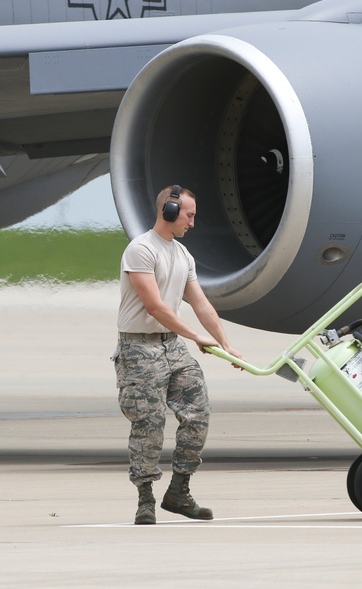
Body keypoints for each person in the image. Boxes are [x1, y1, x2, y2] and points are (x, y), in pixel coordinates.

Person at [112, 184, 243, 525]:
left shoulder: (183, 256)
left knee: (197, 413)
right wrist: (197, 337)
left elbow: (201, 303)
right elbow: (154, 306)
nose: (192, 223)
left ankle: (179, 492)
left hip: (172, 345)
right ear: (168, 212)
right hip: (139, 348)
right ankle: (145, 499)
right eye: (189, 215)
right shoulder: (140, 250)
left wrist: (225, 344)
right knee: (149, 423)